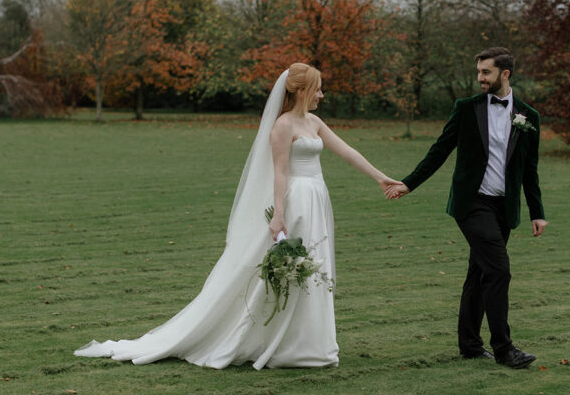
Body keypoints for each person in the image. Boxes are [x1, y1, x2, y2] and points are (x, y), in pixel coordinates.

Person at [75, 63, 400, 369]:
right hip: (296, 201)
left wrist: (381, 178)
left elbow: (347, 151)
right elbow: (280, 173)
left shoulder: (314, 123)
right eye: (317, 89)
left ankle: (311, 344)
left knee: (315, 267)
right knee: (291, 268)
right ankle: (279, 342)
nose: (322, 95)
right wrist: (279, 215)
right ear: (300, 91)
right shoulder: (282, 126)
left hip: (318, 198)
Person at [386, 47, 546, 369]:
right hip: (472, 204)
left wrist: (537, 211)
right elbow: (440, 150)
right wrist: (409, 183)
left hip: (504, 208)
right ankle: (504, 349)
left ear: (505, 74)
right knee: (499, 270)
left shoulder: (528, 116)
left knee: (480, 272)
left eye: (486, 72)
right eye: (478, 72)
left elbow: (529, 168)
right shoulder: (466, 109)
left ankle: (470, 345)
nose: (479, 79)